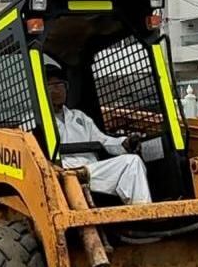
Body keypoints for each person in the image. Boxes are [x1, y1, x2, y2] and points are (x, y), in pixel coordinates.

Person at [46, 65, 152, 204]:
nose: (58, 90)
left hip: (90, 171)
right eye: (52, 86)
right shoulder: (35, 122)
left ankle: (143, 212)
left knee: (132, 162)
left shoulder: (80, 117)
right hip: (61, 174)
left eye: (61, 84)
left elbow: (103, 141)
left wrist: (124, 142)